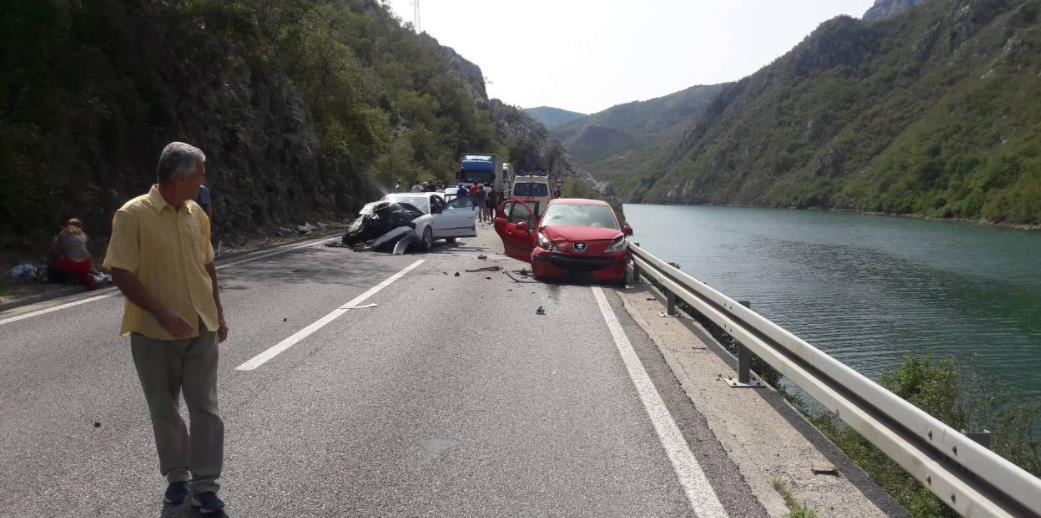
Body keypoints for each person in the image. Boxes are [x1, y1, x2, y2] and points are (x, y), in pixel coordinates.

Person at [103, 142, 228, 514]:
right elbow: (120, 270)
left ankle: (206, 487)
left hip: (201, 327)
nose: (204, 180)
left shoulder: (197, 214)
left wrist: (218, 312)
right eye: (202, 173)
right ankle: (178, 479)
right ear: (182, 177)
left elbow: (208, 266)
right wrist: (161, 313)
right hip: (153, 334)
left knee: (206, 408)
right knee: (165, 409)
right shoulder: (132, 215)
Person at [51, 218, 97, 290]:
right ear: (80, 226)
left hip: (71, 264)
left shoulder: (63, 234)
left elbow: (56, 247)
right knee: (85, 265)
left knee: (57, 261)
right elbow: (87, 248)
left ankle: (72, 274)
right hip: (86, 263)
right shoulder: (83, 234)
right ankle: (86, 275)